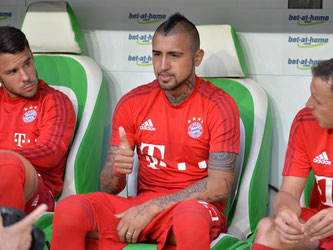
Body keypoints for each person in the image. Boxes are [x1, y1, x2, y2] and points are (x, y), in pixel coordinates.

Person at [51, 12, 240, 250]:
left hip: (193, 210)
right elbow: (109, 186)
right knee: (71, 210)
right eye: (157, 54)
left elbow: (219, 186)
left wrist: (155, 207)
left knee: (190, 219)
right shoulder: (133, 102)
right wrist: (118, 171)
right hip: (142, 205)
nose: (163, 66)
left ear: (197, 57)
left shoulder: (219, 105)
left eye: (175, 55)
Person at [253, 58, 333, 250]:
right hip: (321, 228)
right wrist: (284, 211)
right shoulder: (305, 122)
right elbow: (288, 192)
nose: (308, 104)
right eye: (310, 95)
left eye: (318, 101)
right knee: (269, 228)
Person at [0, 26, 76, 214]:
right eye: (12, 72)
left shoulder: (55, 101)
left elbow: (50, 152)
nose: (26, 77)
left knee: (9, 166)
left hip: (38, 193)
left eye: (27, 63)